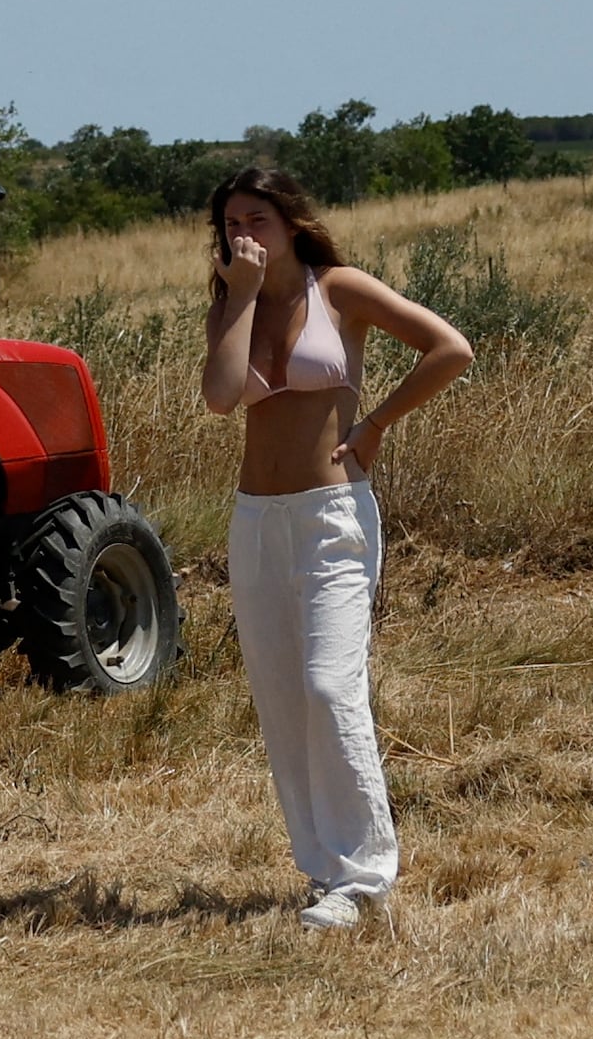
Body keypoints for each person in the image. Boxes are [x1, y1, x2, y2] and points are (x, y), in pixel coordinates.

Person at [201, 166, 477, 929]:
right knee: (283, 698)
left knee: (329, 684)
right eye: (230, 224)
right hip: (257, 521)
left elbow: (449, 347)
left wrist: (377, 421)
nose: (242, 235)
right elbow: (222, 397)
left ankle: (365, 873)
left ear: (291, 220)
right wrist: (243, 296)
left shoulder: (341, 288)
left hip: (331, 514)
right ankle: (324, 869)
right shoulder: (233, 303)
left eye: (256, 218)